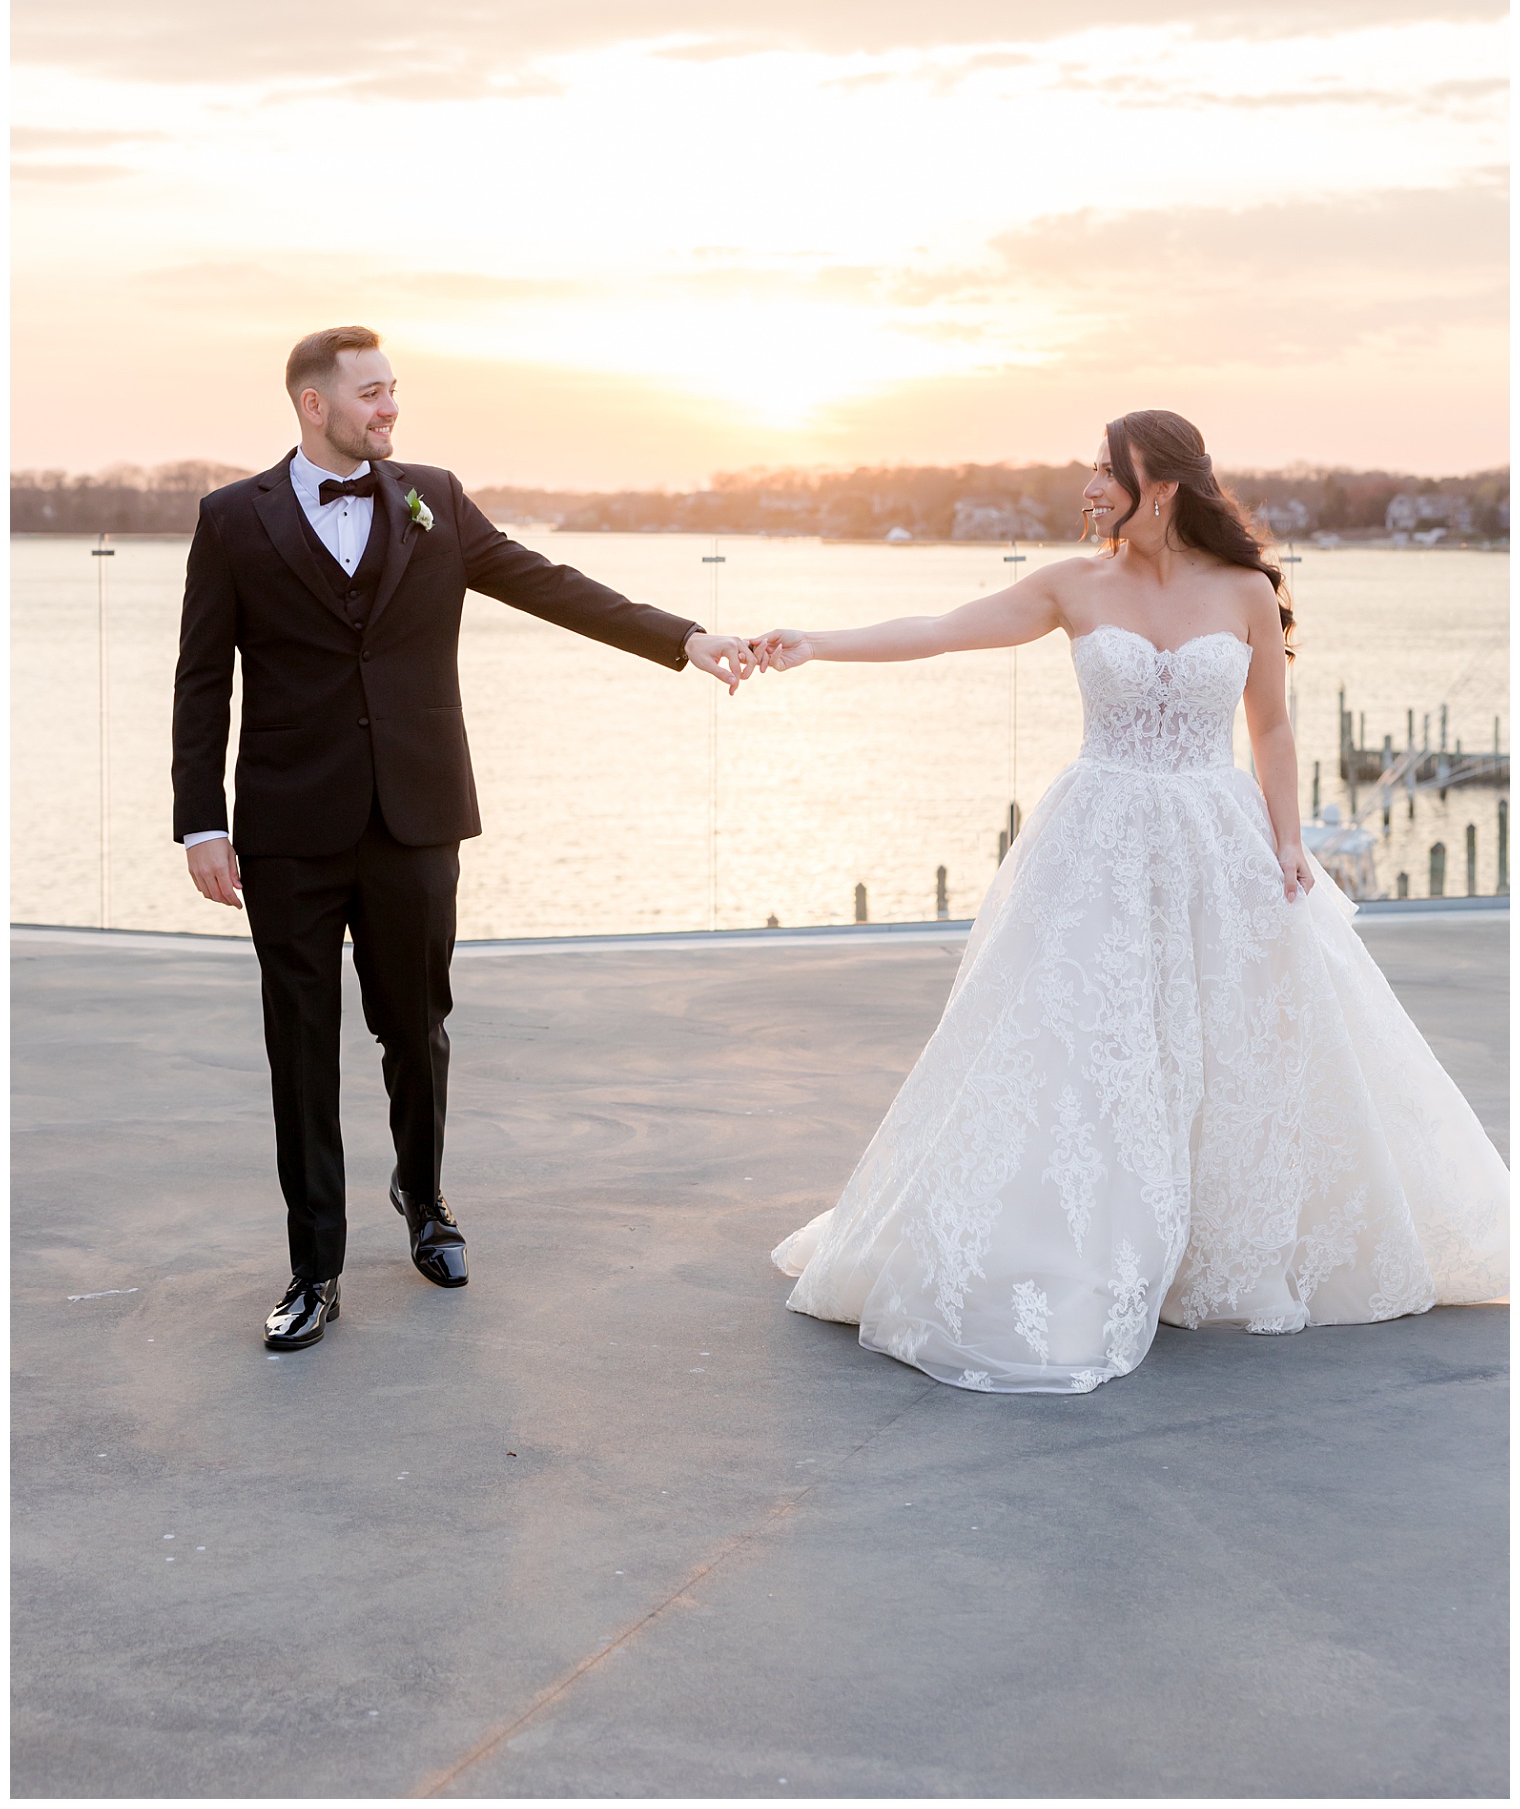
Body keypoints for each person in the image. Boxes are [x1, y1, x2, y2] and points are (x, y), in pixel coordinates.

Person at [749, 410, 1508, 1393]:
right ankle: (1078, 1245)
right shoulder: (1072, 583)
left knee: (1223, 1040)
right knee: (1081, 1040)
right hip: (1095, 837)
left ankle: (1206, 1245)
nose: (1087, 485)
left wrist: (1286, 837)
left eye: (1105, 470)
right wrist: (813, 641)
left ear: (1162, 483)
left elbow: (1269, 728)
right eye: (1089, 469)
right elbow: (940, 631)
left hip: (1214, 838)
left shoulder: (1241, 590)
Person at [173, 326, 754, 1351]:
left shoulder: (428, 493)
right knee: (298, 1048)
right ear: (315, 404)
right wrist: (200, 822)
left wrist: (683, 638)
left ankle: (426, 1199)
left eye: (395, 391)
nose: (390, 409)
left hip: (415, 815)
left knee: (416, 1023)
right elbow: (201, 678)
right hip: (287, 828)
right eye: (371, 394)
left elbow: (547, 580)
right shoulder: (232, 519)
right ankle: (314, 1267)